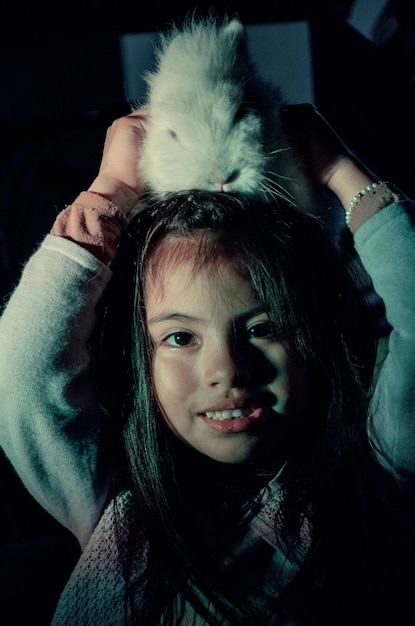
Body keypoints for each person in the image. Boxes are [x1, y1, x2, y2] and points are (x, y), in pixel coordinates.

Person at [0, 103, 414, 626]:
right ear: (141, 359)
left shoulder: (373, 471)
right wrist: (110, 192)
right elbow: (22, 375)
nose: (228, 372)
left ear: (316, 340)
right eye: (180, 337)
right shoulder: (117, 505)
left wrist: (340, 171)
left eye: (264, 329)